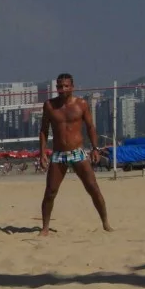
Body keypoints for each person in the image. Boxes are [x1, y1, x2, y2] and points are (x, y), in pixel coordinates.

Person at [38, 73, 112, 236]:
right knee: (50, 191)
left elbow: (90, 127)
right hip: (58, 154)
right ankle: (45, 228)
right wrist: (42, 152)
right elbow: (44, 130)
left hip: (78, 152)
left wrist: (95, 148)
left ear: (72, 87)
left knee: (93, 188)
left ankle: (105, 222)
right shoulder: (50, 105)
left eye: (65, 86)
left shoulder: (81, 104)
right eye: (59, 86)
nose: (62, 89)